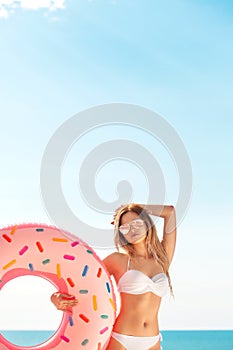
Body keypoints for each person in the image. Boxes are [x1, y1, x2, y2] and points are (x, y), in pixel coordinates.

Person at [51, 203, 176, 350]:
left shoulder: (162, 258)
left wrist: (137, 207)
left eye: (136, 223)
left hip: (152, 340)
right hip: (122, 339)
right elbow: (81, 282)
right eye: (125, 227)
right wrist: (56, 296)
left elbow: (170, 212)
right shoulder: (118, 260)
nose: (132, 230)